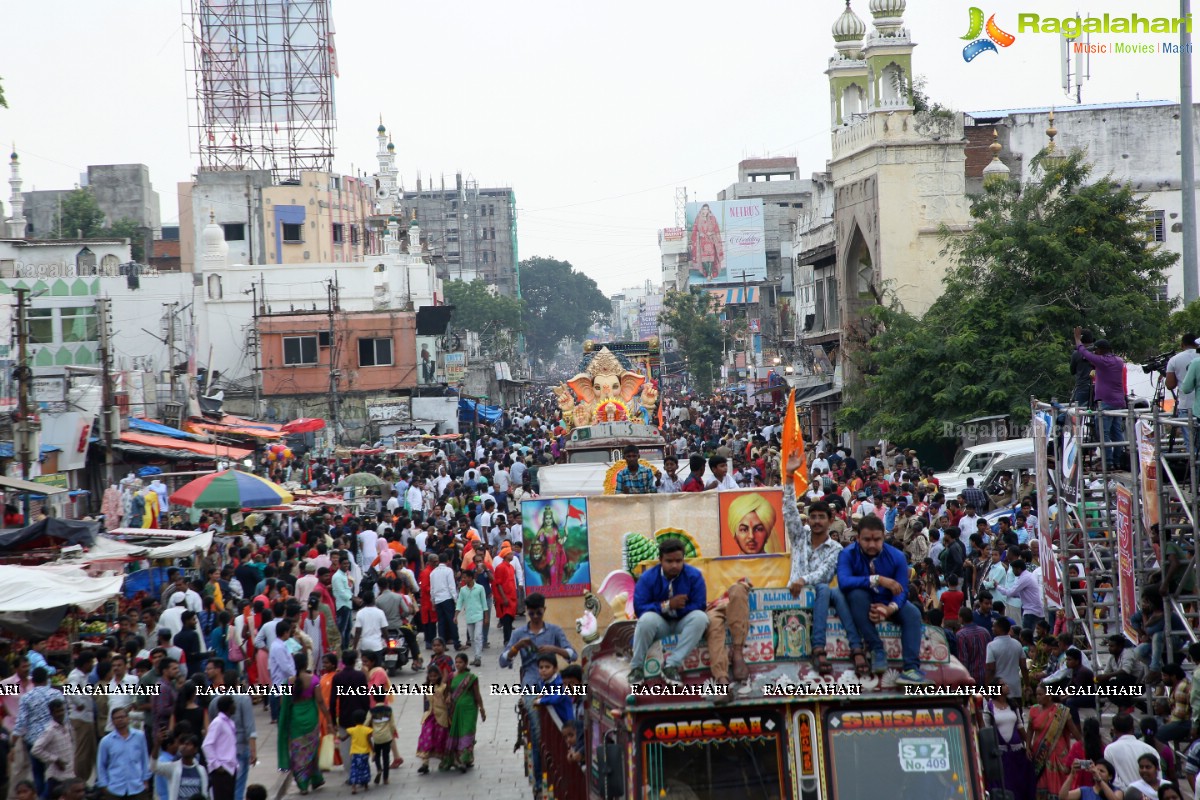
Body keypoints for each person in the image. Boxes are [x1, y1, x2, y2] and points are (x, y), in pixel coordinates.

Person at [836, 515, 929, 684]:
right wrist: (877, 579)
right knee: (856, 594)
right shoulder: (847, 554)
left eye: (877, 540)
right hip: (861, 604)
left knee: (913, 613)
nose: (872, 544)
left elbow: (901, 589)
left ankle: (911, 669)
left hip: (887, 602)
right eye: (866, 540)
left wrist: (889, 609)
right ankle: (877, 648)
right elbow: (844, 582)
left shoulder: (897, 557)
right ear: (857, 538)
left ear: (883, 538)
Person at [783, 462, 845, 676]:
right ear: (808, 520)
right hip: (790, 603)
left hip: (821, 609)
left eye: (821, 517)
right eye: (813, 517)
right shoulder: (799, 538)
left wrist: (802, 580)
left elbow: (825, 575)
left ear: (831, 520)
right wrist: (789, 477)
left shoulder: (837, 548)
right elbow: (789, 510)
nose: (817, 521)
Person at [627, 539, 709, 686]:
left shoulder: (694, 576)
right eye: (669, 561)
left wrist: (680, 609)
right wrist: (667, 605)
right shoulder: (647, 578)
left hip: (682, 622)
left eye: (678, 561)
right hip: (660, 625)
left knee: (700, 618)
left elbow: (700, 604)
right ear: (660, 560)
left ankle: (671, 665)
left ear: (683, 559)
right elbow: (639, 608)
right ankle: (636, 668)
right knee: (646, 620)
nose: (674, 565)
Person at [1073, 327, 1127, 469]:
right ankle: (1117, 461)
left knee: (1104, 434)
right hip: (1119, 401)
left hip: (1106, 401)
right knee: (1117, 433)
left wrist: (1077, 339)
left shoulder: (1102, 361)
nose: (1095, 352)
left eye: (1096, 350)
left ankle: (1108, 462)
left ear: (1102, 350)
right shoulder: (1119, 361)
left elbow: (1083, 351)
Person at [278, 653, 327, 796]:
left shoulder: (287, 682)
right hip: (311, 718)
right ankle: (315, 778)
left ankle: (303, 784)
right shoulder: (314, 680)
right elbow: (320, 701)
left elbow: (282, 703)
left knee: (298, 752)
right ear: (306, 665)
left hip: (295, 720)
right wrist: (329, 719)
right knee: (311, 751)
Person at [982, 679, 1036, 800]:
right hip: (1001, 755)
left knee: (1020, 785)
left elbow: (1020, 726)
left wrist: (1028, 746)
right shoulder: (989, 707)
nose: (1007, 686)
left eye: (1006, 684)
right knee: (1005, 786)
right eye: (1003, 685)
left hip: (1017, 753)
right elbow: (987, 730)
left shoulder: (1013, 705)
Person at [1028, 683, 1082, 798]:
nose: (1038, 697)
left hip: (1058, 754)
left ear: (1050, 695)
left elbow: (1074, 731)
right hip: (1039, 753)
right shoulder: (1033, 710)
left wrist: (1083, 744)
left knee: (1060, 781)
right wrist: (1028, 746)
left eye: (1041, 694)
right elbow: (1030, 730)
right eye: (1037, 695)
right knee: (1041, 783)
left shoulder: (1061, 711)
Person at [441, 653, 484, 773]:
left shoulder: (472, 677)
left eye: (460, 662)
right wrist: (448, 696)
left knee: (467, 732)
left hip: (470, 709)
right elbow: (447, 691)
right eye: (457, 662)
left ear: (465, 664)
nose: (458, 664)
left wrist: (482, 708)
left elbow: (477, 694)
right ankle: (463, 759)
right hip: (455, 710)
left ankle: (464, 759)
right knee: (459, 732)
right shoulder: (451, 676)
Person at [95, 708, 150, 800]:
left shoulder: (139, 736)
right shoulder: (106, 741)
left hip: (137, 787)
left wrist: (145, 780)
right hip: (115, 789)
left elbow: (144, 759)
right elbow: (101, 765)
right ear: (112, 721)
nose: (120, 720)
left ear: (128, 718)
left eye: (122, 717)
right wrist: (104, 786)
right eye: (116, 718)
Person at [30, 700, 73, 800]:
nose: (61, 714)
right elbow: (35, 750)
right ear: (52, 713)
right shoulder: (50, 730)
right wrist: (55, 759)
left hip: (69, 772)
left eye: (62, 710)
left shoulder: (66, 726)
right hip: (57, 776)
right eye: (57, 711)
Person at [1104, 713, 1158, 790]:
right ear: (1133, 728)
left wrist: (1128, 793)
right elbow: (1158, 778)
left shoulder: (1109, 750)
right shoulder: (1150, 749)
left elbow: (1113, 779)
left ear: (1114, 730)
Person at [986, 617, 1028, 708]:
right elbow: (1024, 667)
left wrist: (986, 687)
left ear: (1000, 629)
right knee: (1018, 714)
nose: (992, 628)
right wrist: (1027, 685)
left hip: (999, 687)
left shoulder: (991, 646)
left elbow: (991, 669)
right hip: (1015, 686)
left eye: (994, 627)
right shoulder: (1017, 644)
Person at [415, 665, 450, 775]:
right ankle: (425, 763)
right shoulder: (426, 686)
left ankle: (444, 760)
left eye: (435, 676)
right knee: (426, 737)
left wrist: (448, 697)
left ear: (439, 676)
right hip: (430, 716)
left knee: (440, 739)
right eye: (431, 676)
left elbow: (448, 698)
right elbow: (424, 699)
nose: (433, 678)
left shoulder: (443, 687)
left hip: (441, 717)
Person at [150, 732, 206, 800]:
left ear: (195, 749)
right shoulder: (173, 768)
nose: (184, 746)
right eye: (182, 744)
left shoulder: (201, 770)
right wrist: (157, 744)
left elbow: (204, 794)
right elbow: (153, 767)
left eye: (188, 744)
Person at [203, 695, 238, 800]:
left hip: (231, 769)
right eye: (233, 704)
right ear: (229, 706)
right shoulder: (217, 722)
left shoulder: (230, 722)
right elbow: (207, 745)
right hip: (222, 771)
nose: (235, 706)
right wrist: (217, 765)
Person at [456, 569, 488, 667]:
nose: (463, 579)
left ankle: (478, 657)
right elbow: (459, 603)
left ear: (470, 578)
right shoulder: (463, 590)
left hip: (478, 616)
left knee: (478, 636)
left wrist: (486, 617)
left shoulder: (480, 588)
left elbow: (484, 603)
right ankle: (476, 656)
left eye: (465, 577)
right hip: (469, 617)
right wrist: (455, 615)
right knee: (472, 638)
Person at [429, 554, 461, 650]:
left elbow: (432, 589)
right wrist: (456, 600)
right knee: (452, 621)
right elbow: (451, 586)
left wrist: (433, 601)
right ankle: (456, 643)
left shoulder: (433, 573)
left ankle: (442, 645)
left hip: (438, 600)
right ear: (448, 561)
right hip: (447, 598)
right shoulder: (448, 571)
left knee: (441, 623)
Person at [341, 709, 372, 794]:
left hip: (355, 754)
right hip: (365, 753)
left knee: (354, 769)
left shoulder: (352, 730)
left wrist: (336, 734)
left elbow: (343, 739)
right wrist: (373, 750)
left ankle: (354, 787)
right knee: (365, 768)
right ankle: (365, 785)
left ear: (353, 720)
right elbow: (369, 741)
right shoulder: (367, 730)